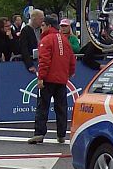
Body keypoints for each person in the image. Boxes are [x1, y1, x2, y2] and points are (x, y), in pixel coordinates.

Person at [27, 14, 77, 144]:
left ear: (49, 26)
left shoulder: (46, 40)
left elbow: (44, 61)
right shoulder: (65, 40)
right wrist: (70, 72)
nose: (41, 28)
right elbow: (71, 58)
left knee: (43, 106)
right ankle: (61, 135)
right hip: (61, 79)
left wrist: (40, 77)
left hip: (48, 79)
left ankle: (39, 133)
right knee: (61, 107)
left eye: (43, 25)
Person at [19, 8, 44, 72]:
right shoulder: (25, 30)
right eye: (41, 19)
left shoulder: (42, 29)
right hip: (32, 59)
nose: (43, 21)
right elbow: (24, 48)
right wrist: (29, 65)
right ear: (34, 19)